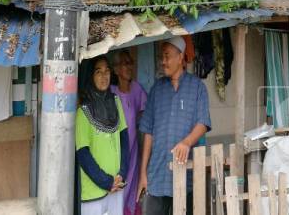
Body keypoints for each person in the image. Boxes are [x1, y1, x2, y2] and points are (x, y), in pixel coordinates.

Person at [137, 36, 211, 215]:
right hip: (157, 174)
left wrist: (186, 142)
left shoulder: (197, 87)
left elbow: (203, 122)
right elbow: (148, 132)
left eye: (167, 56)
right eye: (161, 57)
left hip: (186, 176)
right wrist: (143, 174)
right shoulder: (157, 89)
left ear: (181, 57)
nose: (163, 62)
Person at [76, 57, 129, 215]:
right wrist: (106, 182)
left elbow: (124, 139)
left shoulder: (115, 101)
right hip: (94, 193)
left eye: (107, 71)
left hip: (117, 186)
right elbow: (83, 155)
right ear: (90, 77)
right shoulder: (82, 112)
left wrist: (122, 174)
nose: (104, 76)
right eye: (98, 72)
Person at [111, 50, 147, 215]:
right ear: (116, 69)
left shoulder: (136, 89)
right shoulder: (111, 92)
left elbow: (147, 113)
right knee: (116, 194)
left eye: (130, 62)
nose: (129, 66)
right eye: (125, 63)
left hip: (133, 153)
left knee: (132, 193)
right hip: (115, 155)